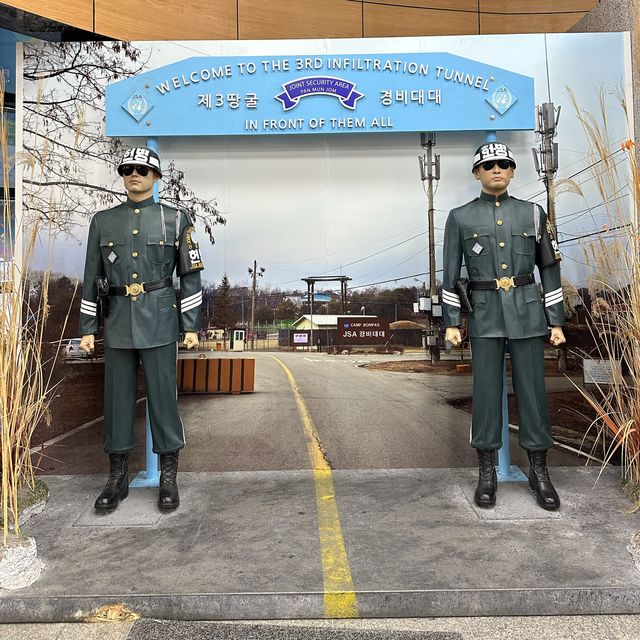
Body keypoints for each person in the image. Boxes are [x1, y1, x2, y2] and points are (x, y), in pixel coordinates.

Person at [79, 147, 204, 513]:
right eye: (128, 169)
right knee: (117, 401)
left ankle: (168, 477)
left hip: (161, 319)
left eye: (143, 170)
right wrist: (88, 326)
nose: (135, 175)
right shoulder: (103, 222)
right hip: (117, 320)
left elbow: (191, 276)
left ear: (156, 177)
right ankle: (117, 478)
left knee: (163, 398)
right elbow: (91, 277)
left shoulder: (176, 219)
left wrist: (190, 325)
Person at [442, 141, 566, 510]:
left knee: (533, 393)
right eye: (489, 165)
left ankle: (539, 472)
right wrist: (452, 322)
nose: (497, 169)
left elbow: (549, 269)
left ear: (513, 171)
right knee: (485, 395)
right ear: (477, 173)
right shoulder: (460, 217)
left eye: (504, 164)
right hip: (484, 314)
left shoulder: (533, 214)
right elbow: (450, 274)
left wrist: (555, 320)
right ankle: (487, 473)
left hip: (528, 312)